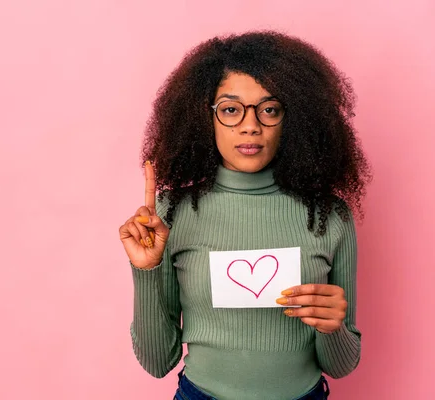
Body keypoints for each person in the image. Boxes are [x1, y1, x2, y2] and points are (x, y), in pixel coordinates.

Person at [118, 31, 371, 400]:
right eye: (231, 109)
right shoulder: (170, 213)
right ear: (206, 118)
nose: (250, 125)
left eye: (269, 109)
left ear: (293, 118)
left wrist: (333, 328)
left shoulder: (330, 215)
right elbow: (157, 362)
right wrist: (146, 270)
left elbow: (341, 366)